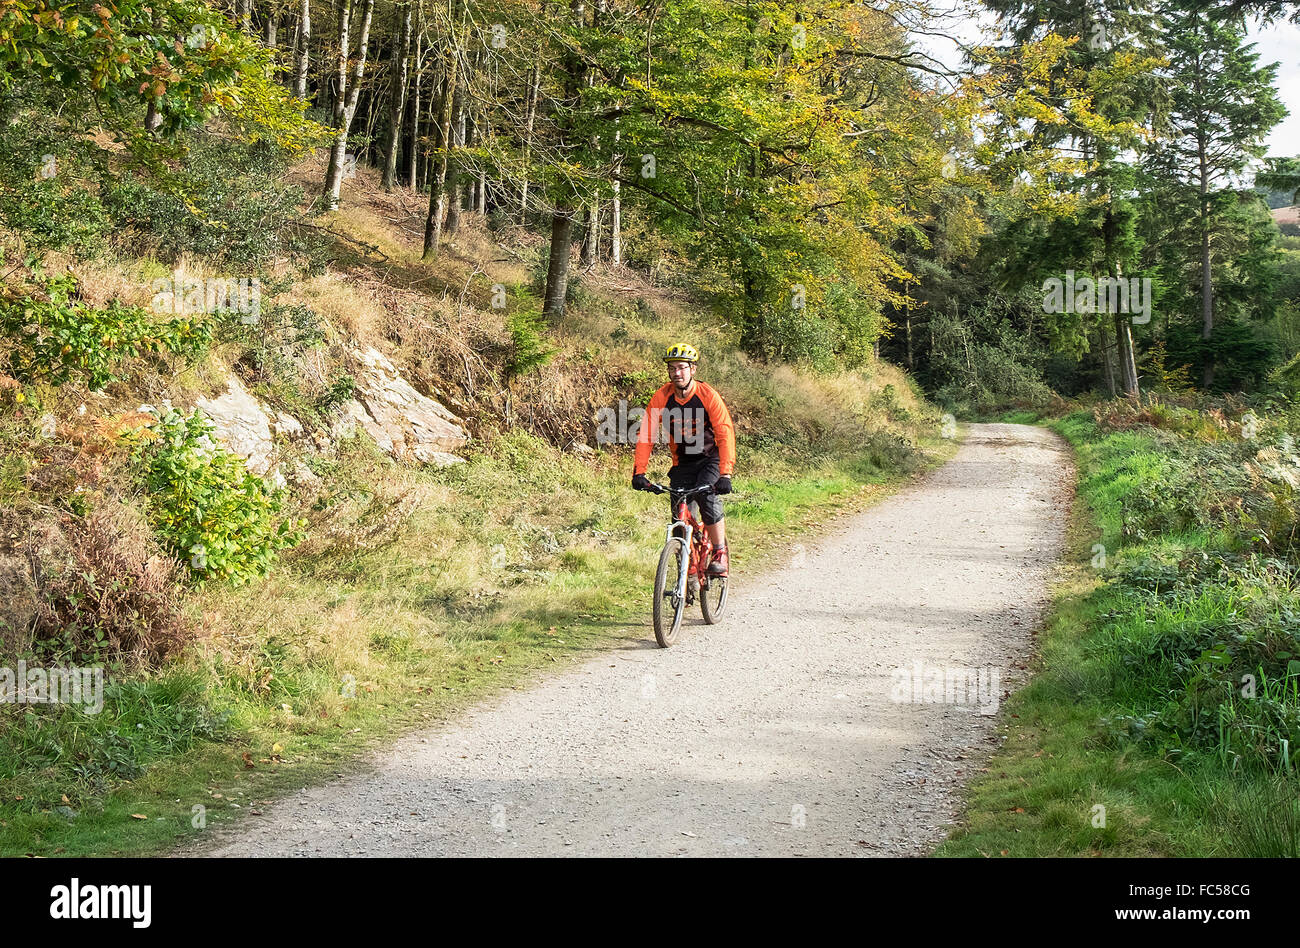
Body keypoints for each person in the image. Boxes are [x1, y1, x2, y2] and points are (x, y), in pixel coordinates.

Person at [631, 342, 736, 577]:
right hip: (683, 462)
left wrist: (725, 474)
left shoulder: (708, 395)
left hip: (711, 457)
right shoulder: (662, 396)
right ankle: (685, 567)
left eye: (681, 367)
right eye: (672, 368)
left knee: (706, 497)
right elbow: (646, 435)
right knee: (679, 513)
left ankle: (719, 552)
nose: (676, 373)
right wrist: (639, 472)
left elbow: (725, 432)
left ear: (693, 369)